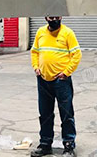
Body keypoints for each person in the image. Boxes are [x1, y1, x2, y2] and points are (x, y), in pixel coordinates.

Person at [30, 16, 82, 157]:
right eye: (51, 16)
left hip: (61, 82)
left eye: (57, 16)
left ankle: (69, 145)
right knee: (45, 114)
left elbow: (76, 54)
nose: (54, 19)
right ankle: (45, 144)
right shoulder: (40, 32)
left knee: (66, 114)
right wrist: (36, 67)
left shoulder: (67, 33)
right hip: (43, 80)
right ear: (46, 17)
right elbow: (34, 51)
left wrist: (66, 72)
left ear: (61, 17)